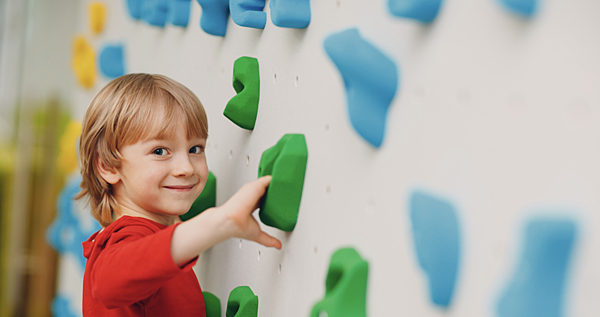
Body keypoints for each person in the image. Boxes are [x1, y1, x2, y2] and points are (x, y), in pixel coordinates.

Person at [77, 73, 282, 316]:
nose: (186, 168)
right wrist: (220, 222)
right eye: (160, 151)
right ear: (108, 166)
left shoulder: (152, 234)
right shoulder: (129, 237)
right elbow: (107, 283)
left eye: (195, 149)